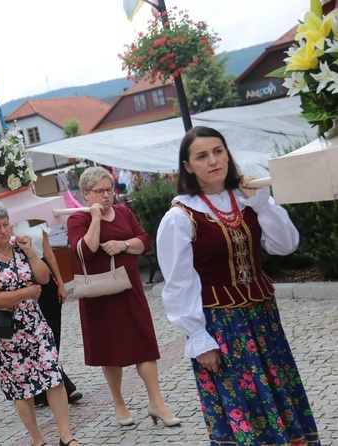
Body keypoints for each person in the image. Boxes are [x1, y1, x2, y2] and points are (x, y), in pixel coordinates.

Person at [156, 126, 319, 445]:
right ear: (188, 166)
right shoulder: (180, 217)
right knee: (245, 402)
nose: (213, 160)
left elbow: (286, 245)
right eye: (201, 156)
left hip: (263, 319)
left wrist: (262, 204)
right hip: (222, 326)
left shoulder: (248, 199)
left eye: (218, 151)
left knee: (278, 389)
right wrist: (199, 337)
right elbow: (178, 283)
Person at [66, 166, 179, 427]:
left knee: (144, 345)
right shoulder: (78, 219)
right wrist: (94, 219)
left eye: (109, 190)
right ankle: (119, 402)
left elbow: (144, 241)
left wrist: (123, 245)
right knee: (110, 350)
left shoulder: (125, 212)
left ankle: (156, 402)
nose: (107, 196)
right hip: (100, 298)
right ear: (86, 194)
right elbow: (85, 251)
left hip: (129, 291)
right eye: (100, 191)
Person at [0, 200, 79, 446]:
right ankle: (37, 440)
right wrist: (28, 291)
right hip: (9, 333)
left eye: (6, 224)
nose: (4, 231)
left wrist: (31, 251)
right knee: (21, 389)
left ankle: (67, 437)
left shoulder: (20, 247)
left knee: (53, 377)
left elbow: (43, 278)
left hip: (36, 325)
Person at [13, 220, 82, 407]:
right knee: (35, 338)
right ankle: (63, 385)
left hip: (45, 275)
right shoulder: (6, 222)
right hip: (22, 279)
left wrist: (60, 282)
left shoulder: (37, 218)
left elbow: (49, 253)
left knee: (53, 334)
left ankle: (46, 388)